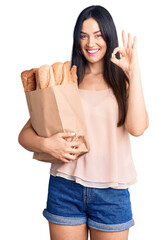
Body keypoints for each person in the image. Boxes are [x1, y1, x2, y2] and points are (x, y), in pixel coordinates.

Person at [18, 5, 149, 240]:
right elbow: (24, 136)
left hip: (112, 193)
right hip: (65, 189)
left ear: (108, 36)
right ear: (77, 39)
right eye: (84, 35)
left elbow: (137, 128)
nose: (91, 43)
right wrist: (49, 145)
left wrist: (134, 71)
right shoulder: (66, 80)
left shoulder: (124, 82)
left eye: (98, 35)